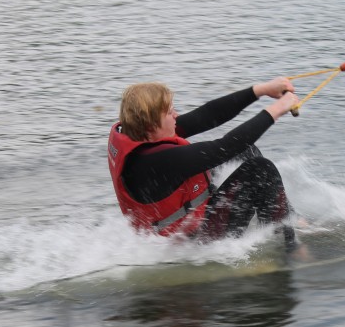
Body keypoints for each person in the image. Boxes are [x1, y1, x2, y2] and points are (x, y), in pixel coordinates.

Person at [107, 77, 301, 249]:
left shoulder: (141, 132)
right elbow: (225, 146)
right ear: (150, 124)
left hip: (190, 213)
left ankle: (287, 218)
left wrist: (262, 89)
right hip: (193, 241)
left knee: (246, 151)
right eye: (169, 112)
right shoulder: (152, 162)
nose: (176, 116)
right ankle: (288, 248)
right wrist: (277, 110)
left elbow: (207, 115)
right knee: (261, 170)